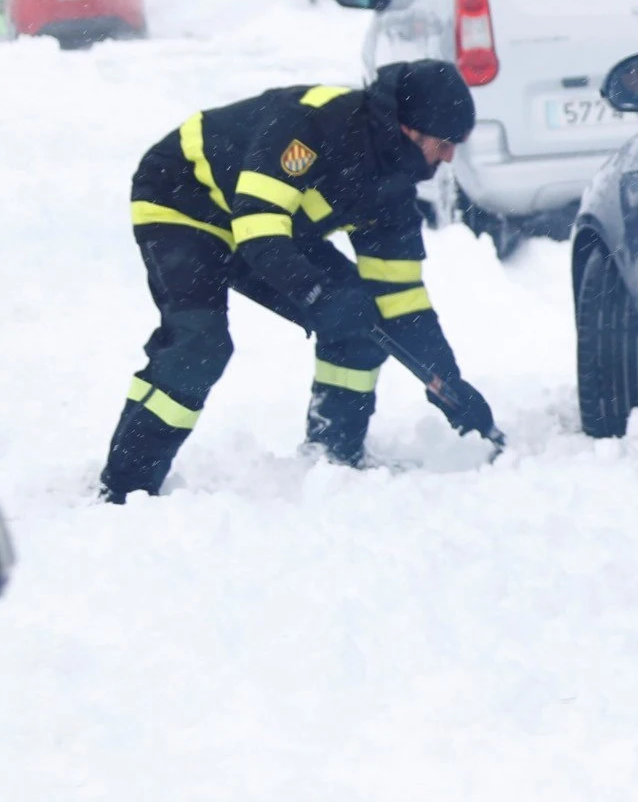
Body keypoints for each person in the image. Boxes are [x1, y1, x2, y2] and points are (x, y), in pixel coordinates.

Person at [101, 60, 498, 501]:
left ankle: (333, 458)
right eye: (444, 143)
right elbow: (259, 229)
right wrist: (316, 293)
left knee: (363, 319)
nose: (449, 157)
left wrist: (446, 381)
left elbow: (400, 298)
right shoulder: (314, 124)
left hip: (268, 232)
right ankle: (125, 488)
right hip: (183, 198)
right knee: (200, 345)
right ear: (409, 129)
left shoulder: (393, 187)